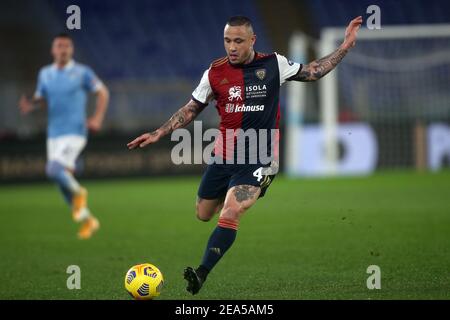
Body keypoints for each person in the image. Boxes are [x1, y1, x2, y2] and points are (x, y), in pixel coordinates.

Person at [127, 15, 362, 294]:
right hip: (224, 155)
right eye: (227, 41)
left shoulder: (274, 64)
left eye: (238, 41)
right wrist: (160, 132)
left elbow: (313, 71)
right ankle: (224, 212)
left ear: (252, 40)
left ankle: (202, 273)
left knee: (232, 210)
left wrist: (345, 46)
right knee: (203, 214)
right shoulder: (214, 73)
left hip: (260, 156)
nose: (232, 47)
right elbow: (191, 108)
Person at [19, 33, 109, 239]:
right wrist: (30, 105)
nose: (63, 49)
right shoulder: (45, 74)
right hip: (54, 135)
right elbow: (41, 99)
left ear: (72, 50)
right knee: (61, 180)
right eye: (59, 46)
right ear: (53, 50)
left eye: (67, 46)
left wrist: (97, 118)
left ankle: (80, 193)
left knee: (53, 169)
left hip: (75, 131)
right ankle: (88, 220)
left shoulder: (82, 72)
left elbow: (102, 92)